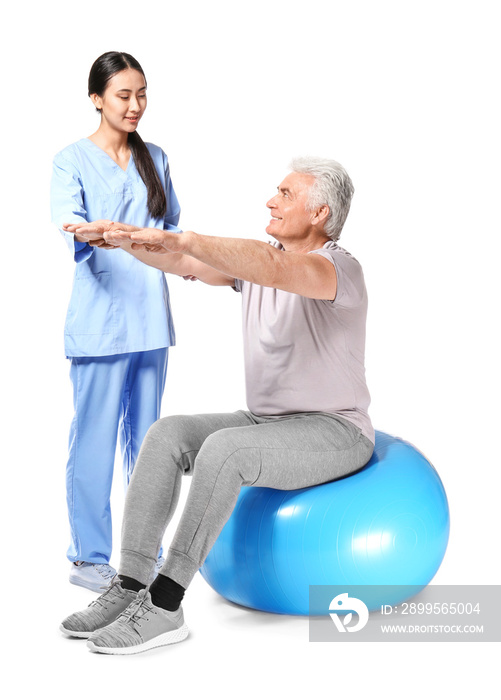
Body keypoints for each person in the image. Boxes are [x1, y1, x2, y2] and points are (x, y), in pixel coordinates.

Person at [60, 156, 374, 654]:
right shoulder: (259, 266)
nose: (271, 201)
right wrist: (126, 241)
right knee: (166, 435)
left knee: (226, 450)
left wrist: (182, 237)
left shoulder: (336, 269)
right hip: (268, 422)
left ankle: (165, 605)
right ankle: (131, 585)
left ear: (320, 214)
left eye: (286, 194)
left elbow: (274, 267)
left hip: (334, 431)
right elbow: (185, 263)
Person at [50, 52, 181, 592]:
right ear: (96, 98)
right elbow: (69, 222)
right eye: (124, 95)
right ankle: (89, 559)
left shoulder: (158, 158)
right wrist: (89, 230)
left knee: (149, 447)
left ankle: (143, 551)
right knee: (95, 441)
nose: (135, 105)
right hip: (101, 323)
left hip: (150, 320)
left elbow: (172, 230)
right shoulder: (71, 160)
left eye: (142, 94)